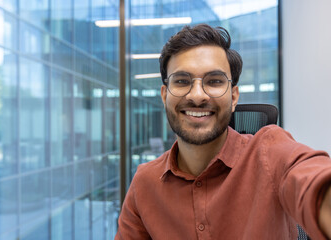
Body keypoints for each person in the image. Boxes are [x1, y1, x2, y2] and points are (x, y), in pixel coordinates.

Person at [115, 24, 331, 239]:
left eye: (214, 81)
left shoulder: (269, 152)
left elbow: (312, 179)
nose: (198, 95)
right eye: (182, 81)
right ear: (164, 96)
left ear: (234, 97)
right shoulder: (144, 183)